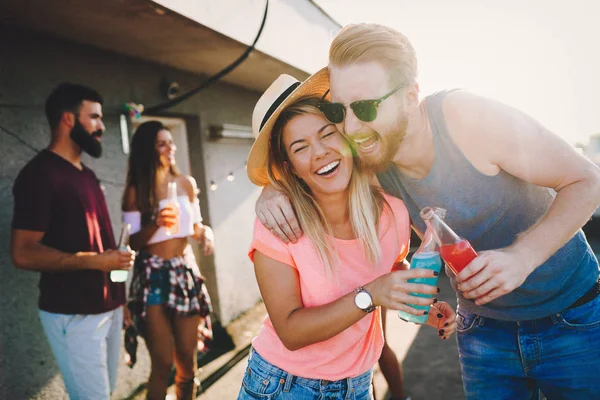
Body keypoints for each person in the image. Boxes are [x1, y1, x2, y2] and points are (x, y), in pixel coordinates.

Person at [256, 23, 600, 400]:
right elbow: (312, 167)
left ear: (409, 96)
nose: (351, 127)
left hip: (573, 319)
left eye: (367, 107)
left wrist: (523, 256)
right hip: (483, 329)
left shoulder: (467, 117)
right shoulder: (370, 154)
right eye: (340, 110)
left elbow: (587, 179)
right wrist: (272, 190)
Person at [240, 72, 456, 400]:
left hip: (358, 384)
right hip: (283, 386)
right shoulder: (278, 225)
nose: (320, 152)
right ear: (290, 167)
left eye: (328, 134)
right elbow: (291, 332)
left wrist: (423, 307)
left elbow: (390, 268)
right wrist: (371, 294)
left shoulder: (391, 212)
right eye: (301, 148)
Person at [10, 83, 136, 399]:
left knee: (104, 394)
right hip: (74, 313)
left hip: (109, 307)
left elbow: (106, 246)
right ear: (68, 119)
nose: (101, 126)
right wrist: (96, 261)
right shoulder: (39, 175)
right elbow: (22, 254)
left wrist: (121, 300)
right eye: (93, 117)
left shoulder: (87, 176)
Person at [122, 120, 214, 400]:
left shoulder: (186, 183)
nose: (170, 148)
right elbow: (131, 242)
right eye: (162, 144)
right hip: (152, 276)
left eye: (170, 142)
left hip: (183, 271)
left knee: (187, 359)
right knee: (163, 363)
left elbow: (196, 225)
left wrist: (206, 234)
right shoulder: (136, 191)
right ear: (147, 150)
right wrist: (155, 223)